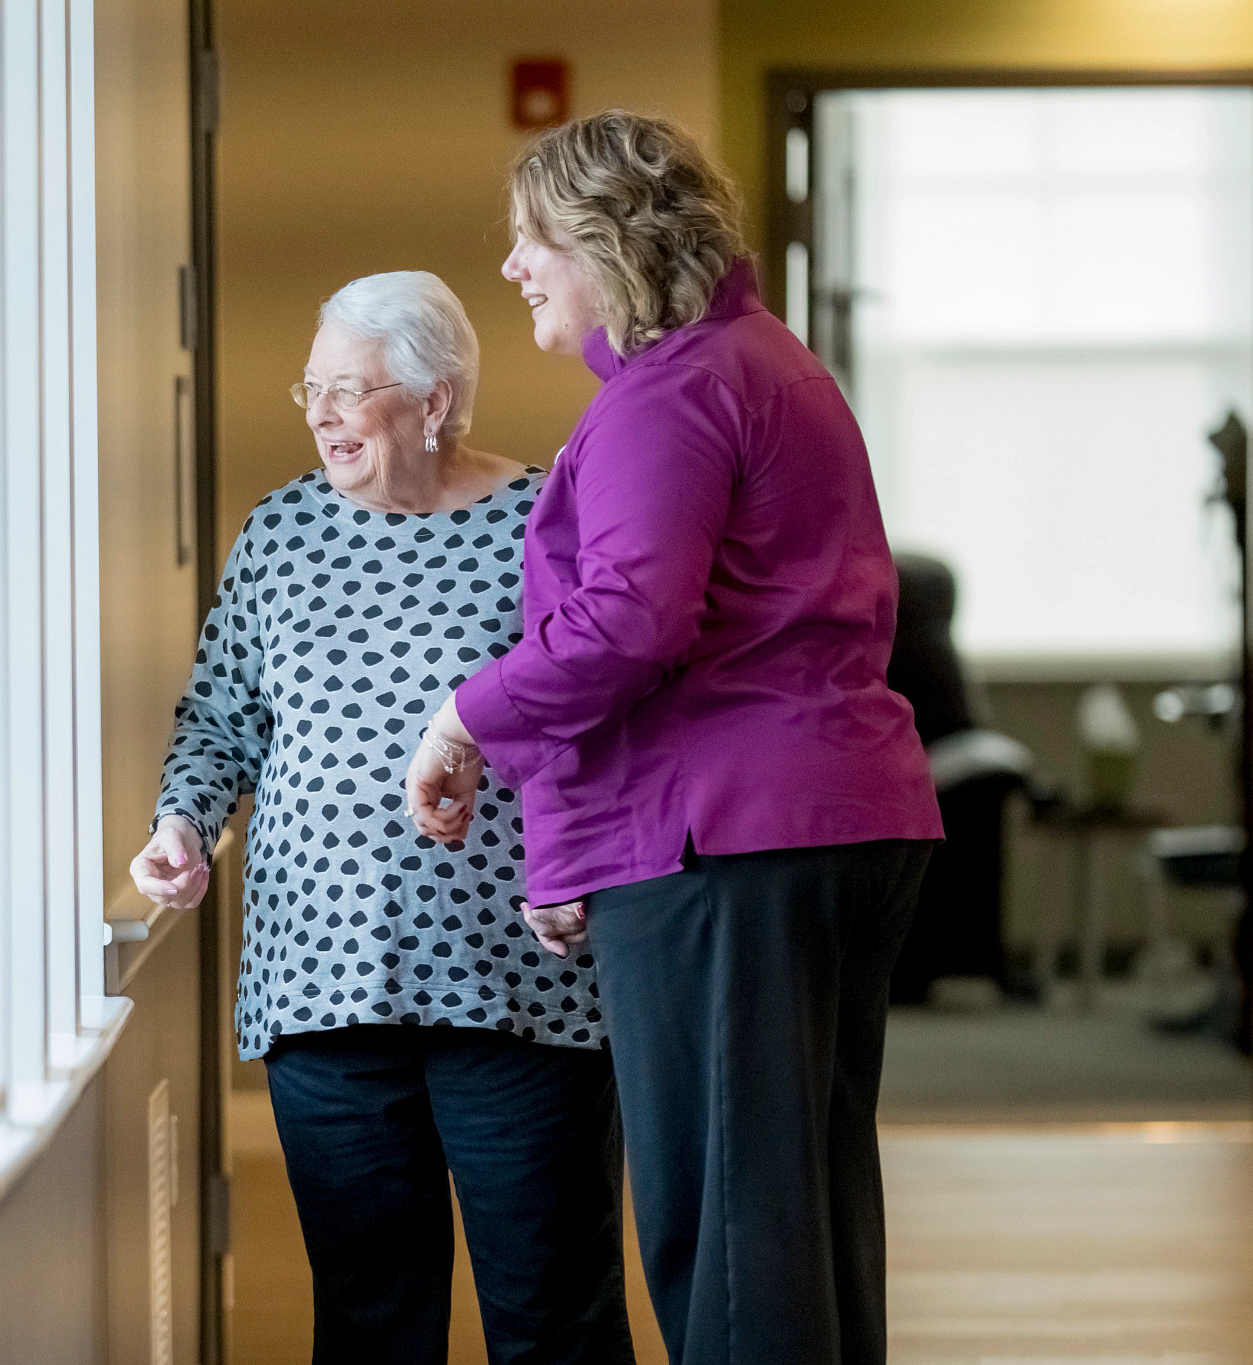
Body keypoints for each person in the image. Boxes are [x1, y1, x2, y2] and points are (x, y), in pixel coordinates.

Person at [405, 112, 943, 1365]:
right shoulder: (767, 362)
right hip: (821, 822)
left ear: (605, 244)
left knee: (728, 1237)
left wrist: (463, 716)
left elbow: (630, 624)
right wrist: (570, 848)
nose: (512, 266)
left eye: (531, 237)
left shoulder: (675, 388)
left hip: (731, 846)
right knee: (796, 1215)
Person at [135, 270, 635, 1365]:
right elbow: (222, 714)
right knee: (368, 1321)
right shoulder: (278, 533)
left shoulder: (542, 522)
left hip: (519, 988)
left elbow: (606, 719)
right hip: (322, 986)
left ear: (433, 398)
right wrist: (182, 820)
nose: (319, 413)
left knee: (553, 1310)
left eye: (347, 390)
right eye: (308, 389)